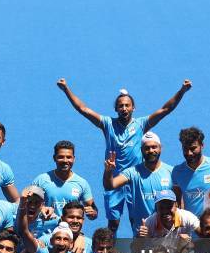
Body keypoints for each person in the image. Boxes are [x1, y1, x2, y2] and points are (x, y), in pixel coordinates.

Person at [57, 78, 192, 232]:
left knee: (141, 221)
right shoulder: (108, 124)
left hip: (136, 180)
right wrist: (66, 89)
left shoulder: (141, 124)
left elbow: (165, 109)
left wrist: (182, 91)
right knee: (113, 224)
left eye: (127, 105)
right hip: (114, 180)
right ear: (116, 109)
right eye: (120, 106)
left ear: (133, 107)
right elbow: (84, 109)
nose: (124, 108)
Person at [103, 131, 174, 236]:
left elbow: (179, 204)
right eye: (147, 148)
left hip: (167, 234)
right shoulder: (132, 172)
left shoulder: (171, 172)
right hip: (142, 235)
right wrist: (108, 171)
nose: (151, 150)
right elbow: (110, 186)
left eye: (154, 147)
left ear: (160, 148)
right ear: (141, 150)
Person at [32, 140, 98, 219]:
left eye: (69, 157)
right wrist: (41, 208)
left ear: (74, 159)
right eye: (61, 157)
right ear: (54, 158)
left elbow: (93, 211)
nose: (65, 161)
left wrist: (93, 213)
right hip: (45, 230)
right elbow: (27, 205)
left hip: (71, 230)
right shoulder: (41, 180)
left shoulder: (82, 183)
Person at [172, 127, 210, 217]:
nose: (189, 153)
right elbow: (177, 204)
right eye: (185, 149)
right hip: (191, 228)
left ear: (202, 145)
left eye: (193, 148)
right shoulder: (177, 172)